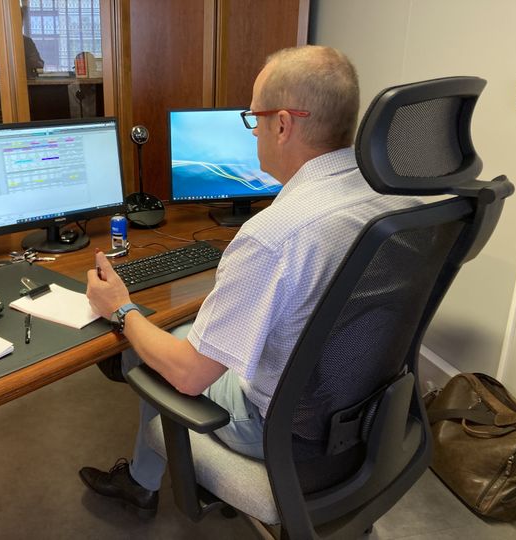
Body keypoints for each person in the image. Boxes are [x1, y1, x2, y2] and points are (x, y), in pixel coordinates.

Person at [79, 45, 419, 518]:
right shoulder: (391, 199)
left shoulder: (271, 236)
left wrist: (120, 306)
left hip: (282, 431)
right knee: (186, 334)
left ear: (283, 124)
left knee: (152, 344)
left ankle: (141, 481)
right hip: (367, 411)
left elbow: (191, 376)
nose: (253, 129)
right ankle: (147, 473)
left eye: (253, 117)